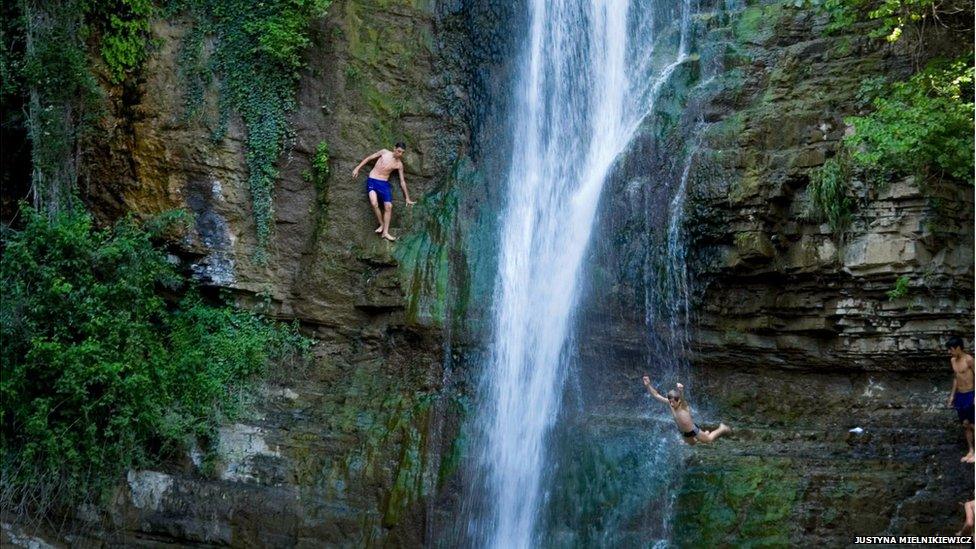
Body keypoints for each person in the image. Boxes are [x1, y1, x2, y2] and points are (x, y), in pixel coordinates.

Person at [352, 142, 415, 241]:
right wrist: (357, 168)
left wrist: (407, 198)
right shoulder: (384, 152)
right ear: (394, 148)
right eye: (399, 151)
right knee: (374, 203)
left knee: (389, 206)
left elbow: (402, 181)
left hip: (384, 184)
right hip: (372, 180)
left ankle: (385, 232)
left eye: (402, 153)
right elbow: (369, 158)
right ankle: (381, 224)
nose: (400, 154)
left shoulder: (399, 164)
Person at [642, 376, 731, 445]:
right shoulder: (670, 404)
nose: (671, 404)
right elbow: (656, 395)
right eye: (670, 402)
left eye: (673, 402)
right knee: (693, 443)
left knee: (709, 440)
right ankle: (705, 434)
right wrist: (648, 385)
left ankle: (722, 428)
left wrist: (681, 391)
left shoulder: (684, 406)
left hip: (693, 430)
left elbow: (683, 398)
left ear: (678, 401)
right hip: (684, 432)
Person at [946, 336, 975, 463]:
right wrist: (952, 396)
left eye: (950, 349)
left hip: (971, 394)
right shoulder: (953, 360)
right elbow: (956, 378)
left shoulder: (969, 360)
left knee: (974, 424)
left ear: (958, 348)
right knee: (965, 424)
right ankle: (971, 450)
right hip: (960, 396)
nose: (949, 352)